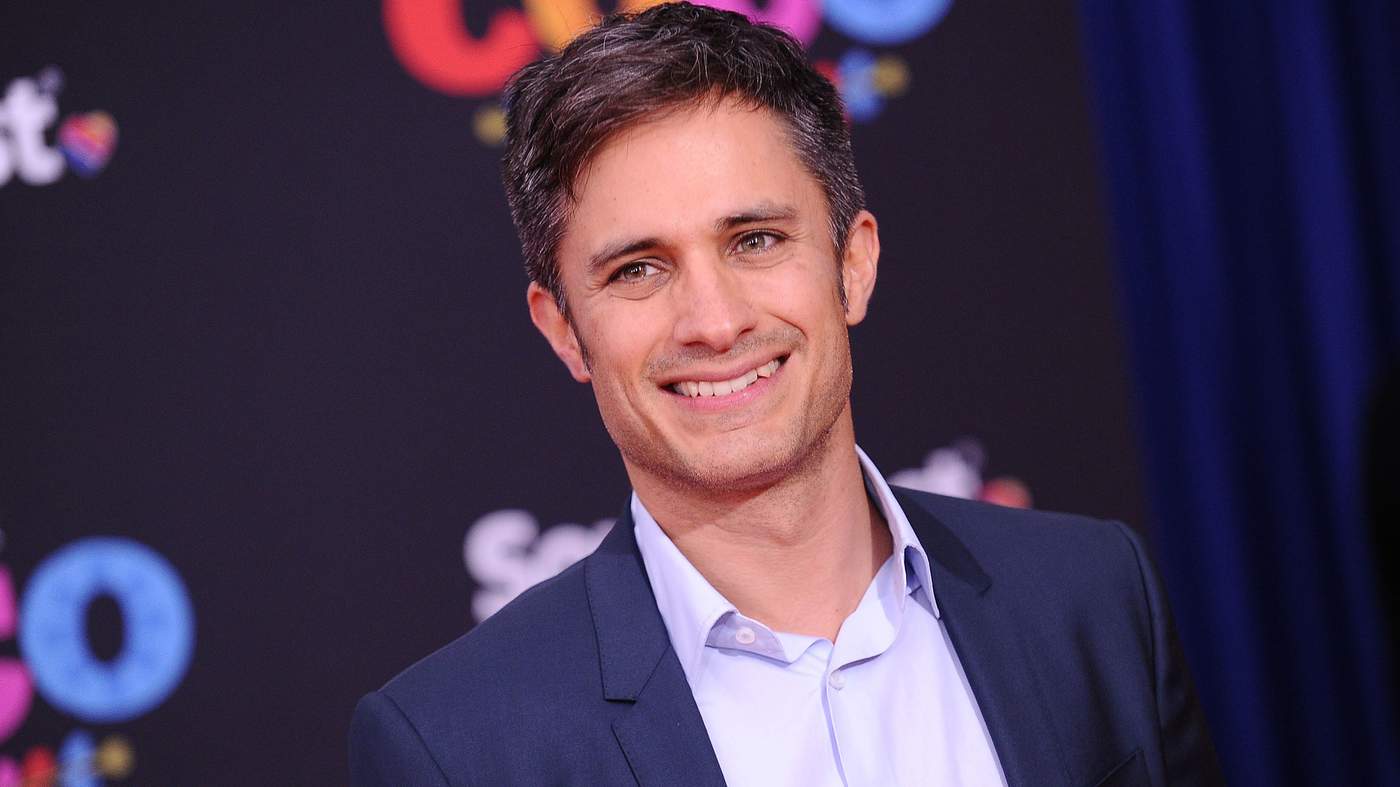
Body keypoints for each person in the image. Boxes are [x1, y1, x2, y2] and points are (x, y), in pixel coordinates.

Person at [349, 3, 1223, 785]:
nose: (715, 321)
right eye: (639, 268)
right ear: (565, 330)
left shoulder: (1095, 597)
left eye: (756, 240)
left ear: (854, 263)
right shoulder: (458, 749)